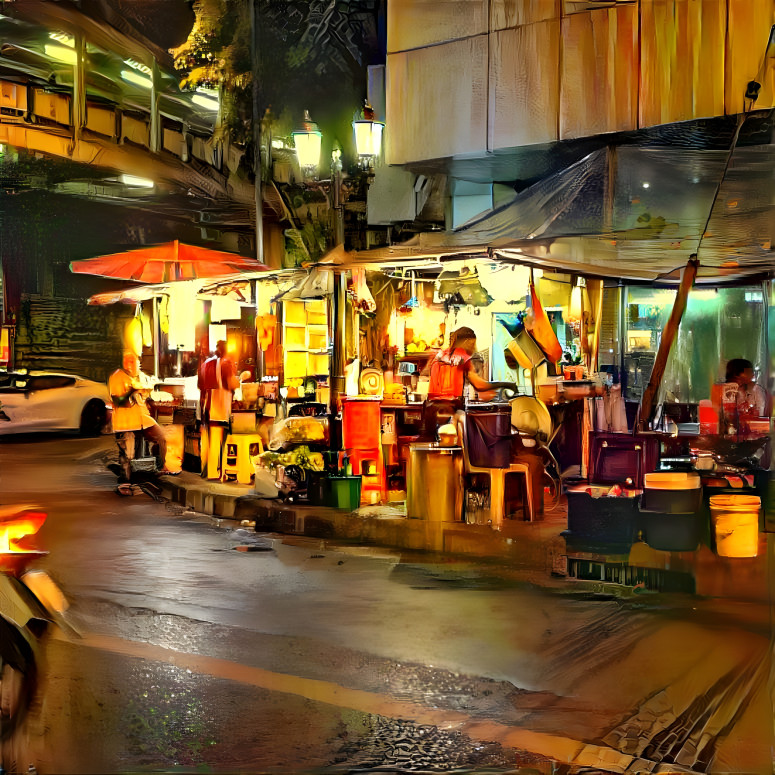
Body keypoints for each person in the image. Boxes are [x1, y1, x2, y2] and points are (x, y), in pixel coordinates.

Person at [108, 351, 172, 487]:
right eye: (126, 360)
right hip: (125, 422)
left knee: (161, 438)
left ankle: (158, 469)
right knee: (128, 454)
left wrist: (156, 393)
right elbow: (119, 401)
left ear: (139, 362)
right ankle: (125, 480)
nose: (128, 364)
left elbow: (149, 392)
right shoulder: (117, 377)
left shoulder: (142, 377)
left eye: (132, 360)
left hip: (143, 419)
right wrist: (132, 390)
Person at [198, 340, 240, 480]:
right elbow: (231, 383)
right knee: (220, 443)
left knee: (207, 442)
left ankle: (206, 471)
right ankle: (218, 473)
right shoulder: (226, 364)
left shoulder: (205, 365)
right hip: (219, 408)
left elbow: (201, 388)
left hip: (206, 409)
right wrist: (241, 380)